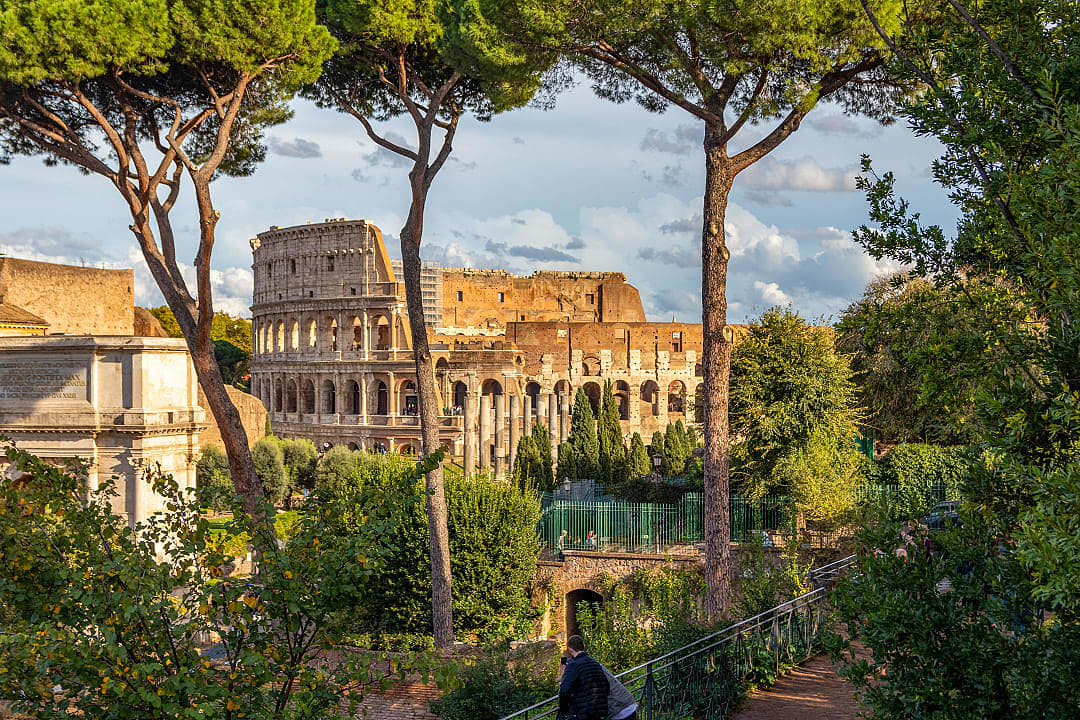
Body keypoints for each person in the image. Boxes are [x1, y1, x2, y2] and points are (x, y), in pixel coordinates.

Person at [558, 635, 609, 720]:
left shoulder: (573, 665)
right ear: (583, 647)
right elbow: (606, 687)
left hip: (583, 713)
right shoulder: (595, 663)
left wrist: (564, 712)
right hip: (600, 712)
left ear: (570, 649)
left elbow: (564, 690)